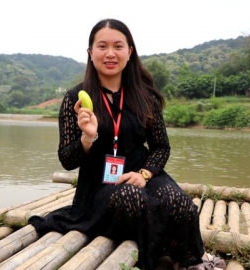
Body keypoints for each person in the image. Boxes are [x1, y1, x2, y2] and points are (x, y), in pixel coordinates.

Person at [29, 18, 205, 269]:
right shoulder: (76, 99)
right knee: (133, 200)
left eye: (118, 46)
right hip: (100, 183)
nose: (110, 53)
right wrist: (87, 137)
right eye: (102, 46)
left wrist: (144, 174)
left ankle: (190, 260)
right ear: (91, 53)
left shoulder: (146, 97)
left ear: (130, 52)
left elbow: (161, 147)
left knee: (180, 203)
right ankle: (152, 257)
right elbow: (67, 160)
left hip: (143, 172)